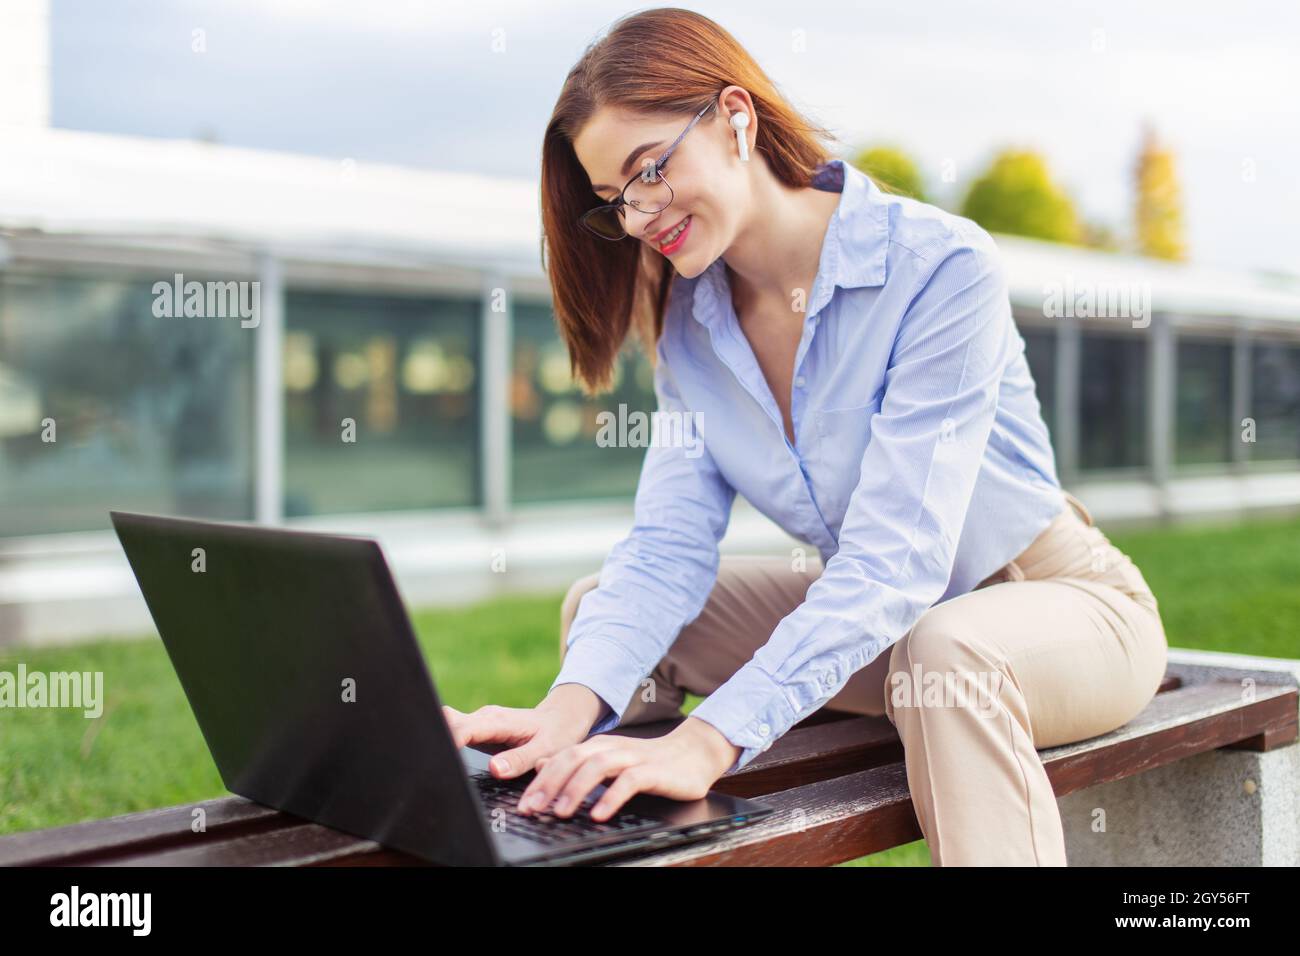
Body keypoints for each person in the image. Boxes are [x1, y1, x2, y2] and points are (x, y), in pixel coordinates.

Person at [441, 7, 1168, 866]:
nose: (637, 219)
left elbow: (896, 559)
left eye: (648, 173)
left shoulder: (938, 269)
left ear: (736, 118)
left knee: (951, 649)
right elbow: (668, 546)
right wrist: (560, 717)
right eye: (613, 202)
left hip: (1061, 609)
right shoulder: (687, 324)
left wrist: (708, 740)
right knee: (599, 616)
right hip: (893, 635)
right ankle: (590, 820)